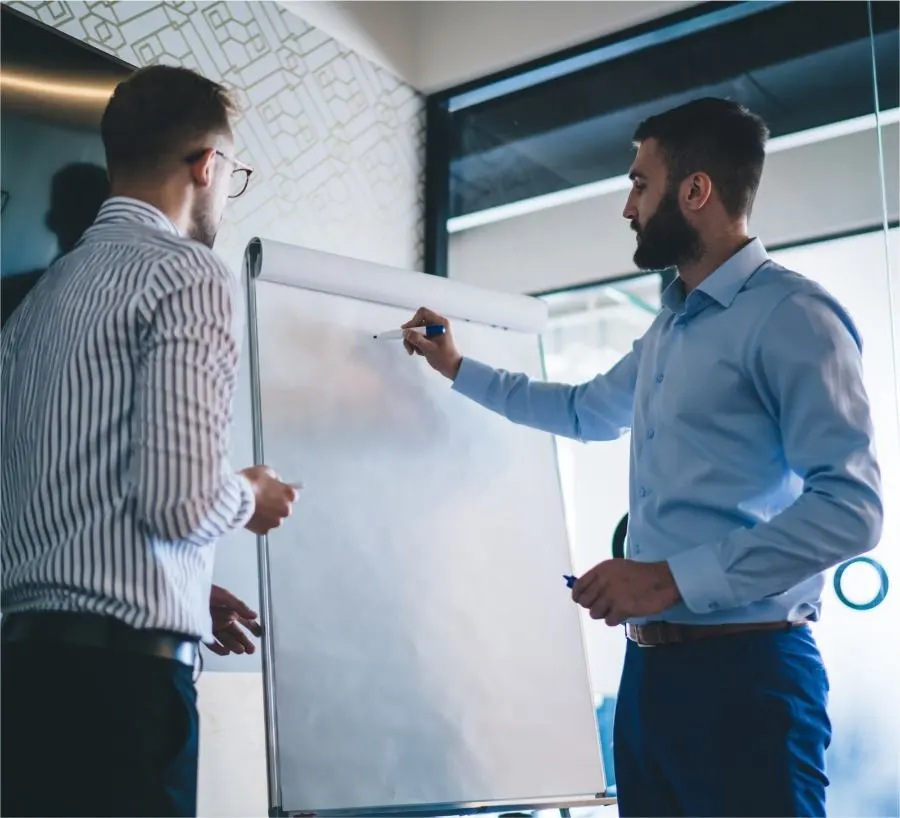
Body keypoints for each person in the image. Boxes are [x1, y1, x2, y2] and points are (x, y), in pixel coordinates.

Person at [402, 98, 883, 817]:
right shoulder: (670, 327)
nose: (628, 206)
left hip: (749, 677)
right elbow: (581, 410)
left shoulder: (794, 317)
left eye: (639, 184)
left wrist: (665, 580)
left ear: (696, 192)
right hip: (651, 678)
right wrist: (455, 366)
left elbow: (853, 510)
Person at [1, 65, 298, 818]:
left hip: (22, 678)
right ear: (208, 165)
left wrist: (190, 589)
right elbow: (180, 502)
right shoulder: (187, 274)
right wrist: (252, 495)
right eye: (231, 171)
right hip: (124, 697)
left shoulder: (38, 303)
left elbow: (62, 500)